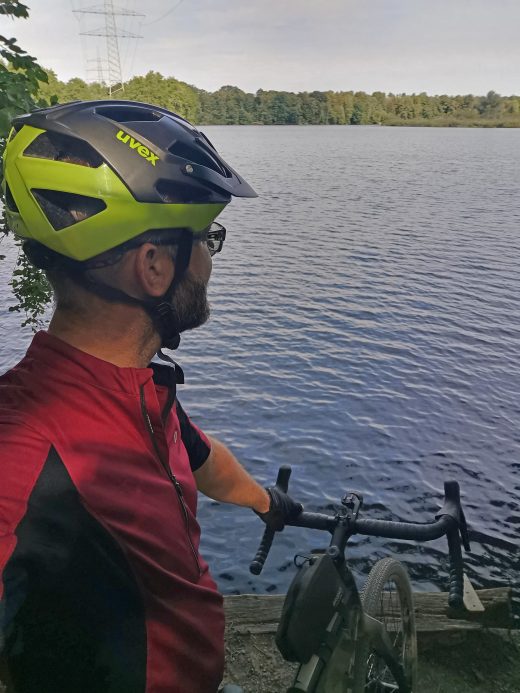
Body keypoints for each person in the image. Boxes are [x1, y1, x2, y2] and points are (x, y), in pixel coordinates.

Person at [0, 100, 302, 693]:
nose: (211, 261)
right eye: (206, 240)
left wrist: (266, 502)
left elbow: (197, 456)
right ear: (154, 266)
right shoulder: (23, 450)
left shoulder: (134, 386)